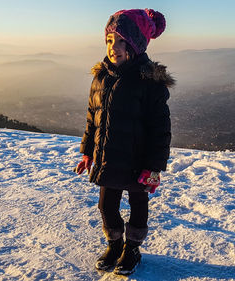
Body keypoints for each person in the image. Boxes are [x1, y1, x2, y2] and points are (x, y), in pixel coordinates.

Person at [75, 8, 174, 275]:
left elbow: (160, 129)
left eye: (121, 41)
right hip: (108, 158)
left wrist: (153, 167)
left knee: (138, 205)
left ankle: (132, 248)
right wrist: (87, 152)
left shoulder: (149, 82)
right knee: (106, 205)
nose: (113, 47)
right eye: (109, 40)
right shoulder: (101, 78)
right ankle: (114, 244)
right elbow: (92, 119)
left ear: (135, 45)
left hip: (138, 162)